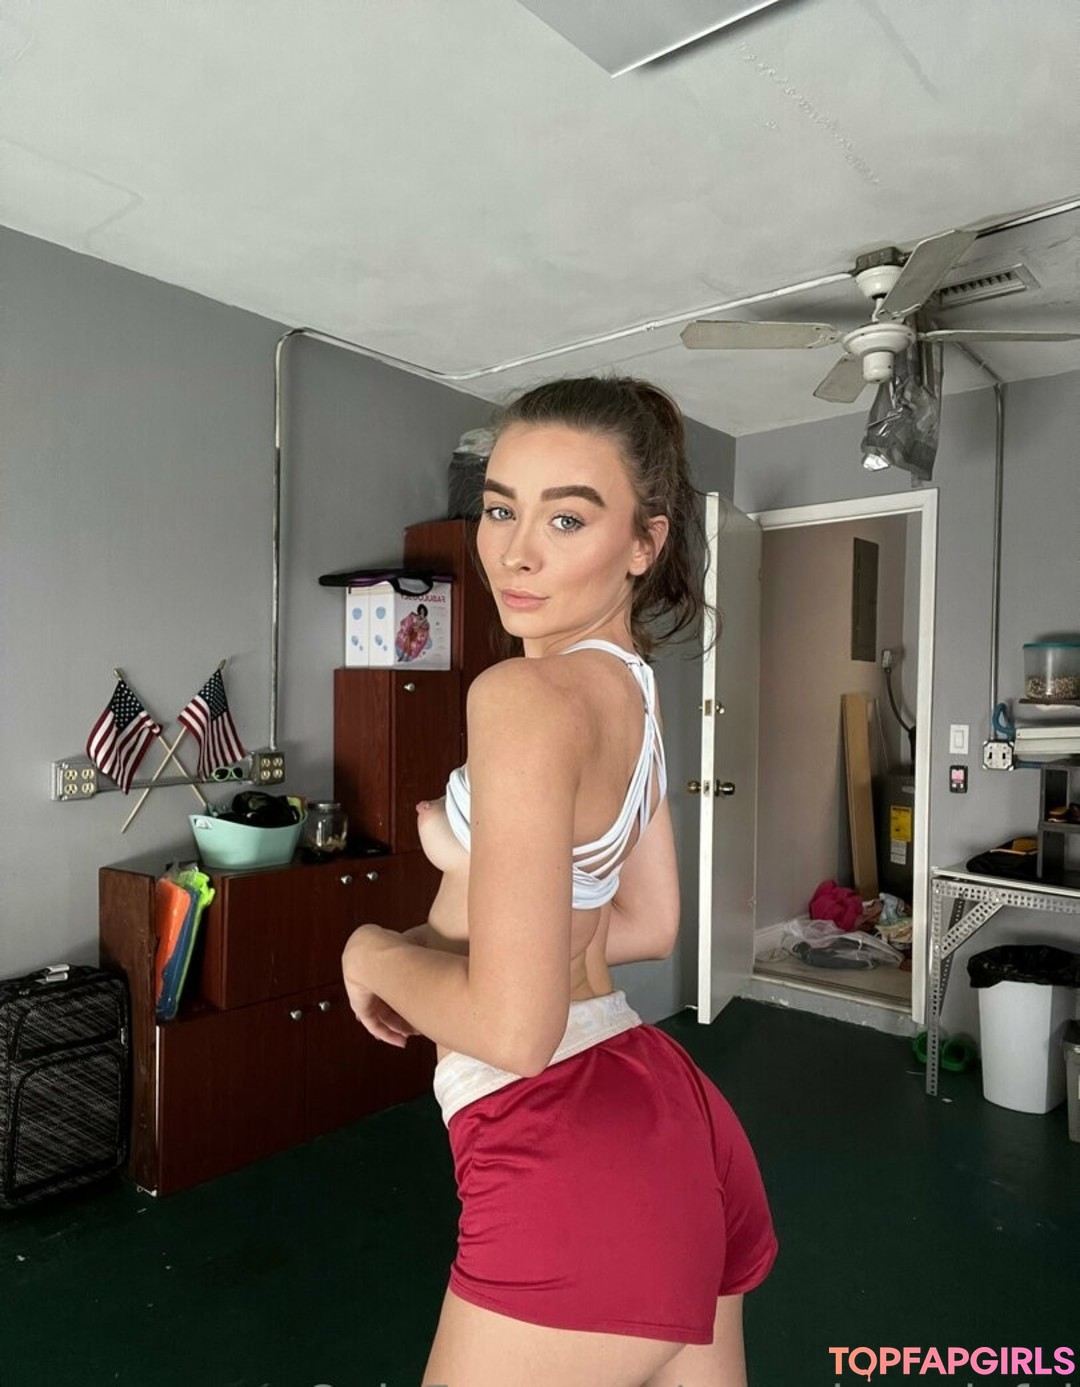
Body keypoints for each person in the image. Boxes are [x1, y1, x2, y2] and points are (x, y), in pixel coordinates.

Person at [341, 375, 778, 1387]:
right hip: (669, 1114)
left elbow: (515, 1027)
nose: (516, 551)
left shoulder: (525, 694)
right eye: (501, 509)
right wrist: (503, 900)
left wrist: (373, 952)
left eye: (567, 517)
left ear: (644, 542)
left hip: (560, 1137)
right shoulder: (633, 689)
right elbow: (651, 921)